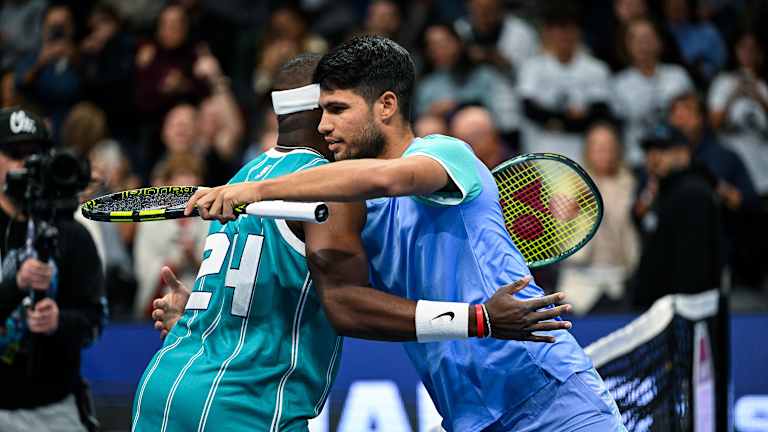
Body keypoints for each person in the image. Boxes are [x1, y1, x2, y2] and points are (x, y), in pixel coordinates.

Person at [188, 36, 625, 432]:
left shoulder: (444, 154)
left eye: (337, 110)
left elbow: (389, 179)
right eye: (321, 111)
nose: (322, 126)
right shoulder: (356, 214)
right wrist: (210, 319)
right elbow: (337, 301)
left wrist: (256, 189)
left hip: (548, 392)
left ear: (386, 105)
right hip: (468, 417)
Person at [0, 108, 106, 432]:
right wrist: (14, 285)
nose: (25, 164)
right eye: (14, 154)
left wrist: (59, 321)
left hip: (54, 406)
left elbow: (95, 320)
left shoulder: (73, 233)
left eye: (35, 154)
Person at [631, 122, 721, 308]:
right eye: (649, 150)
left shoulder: (693, 192)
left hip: (680, 309)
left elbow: (693, 264)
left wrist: (680, 310)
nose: (653, 157)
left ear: (683, 154)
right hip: (662, 307)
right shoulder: (661, 190)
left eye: (663, 149)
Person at [558, 123, 639, 314]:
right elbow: (557, 234)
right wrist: (570, 212)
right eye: (598, 147)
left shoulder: (630, 183)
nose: (604, 153)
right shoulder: (568, 183)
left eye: (609, 147)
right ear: (588, 150)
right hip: (579, 286)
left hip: (620, 283)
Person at [612, 17, 693, 166]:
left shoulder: (678, 76)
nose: (643, 44)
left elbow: (693, 120)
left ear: (659, 41)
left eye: (648, 37)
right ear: (627, 45)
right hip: (636, 161)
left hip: (677, 159)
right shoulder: (619, 84)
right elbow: (617, 131)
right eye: (636, 39)